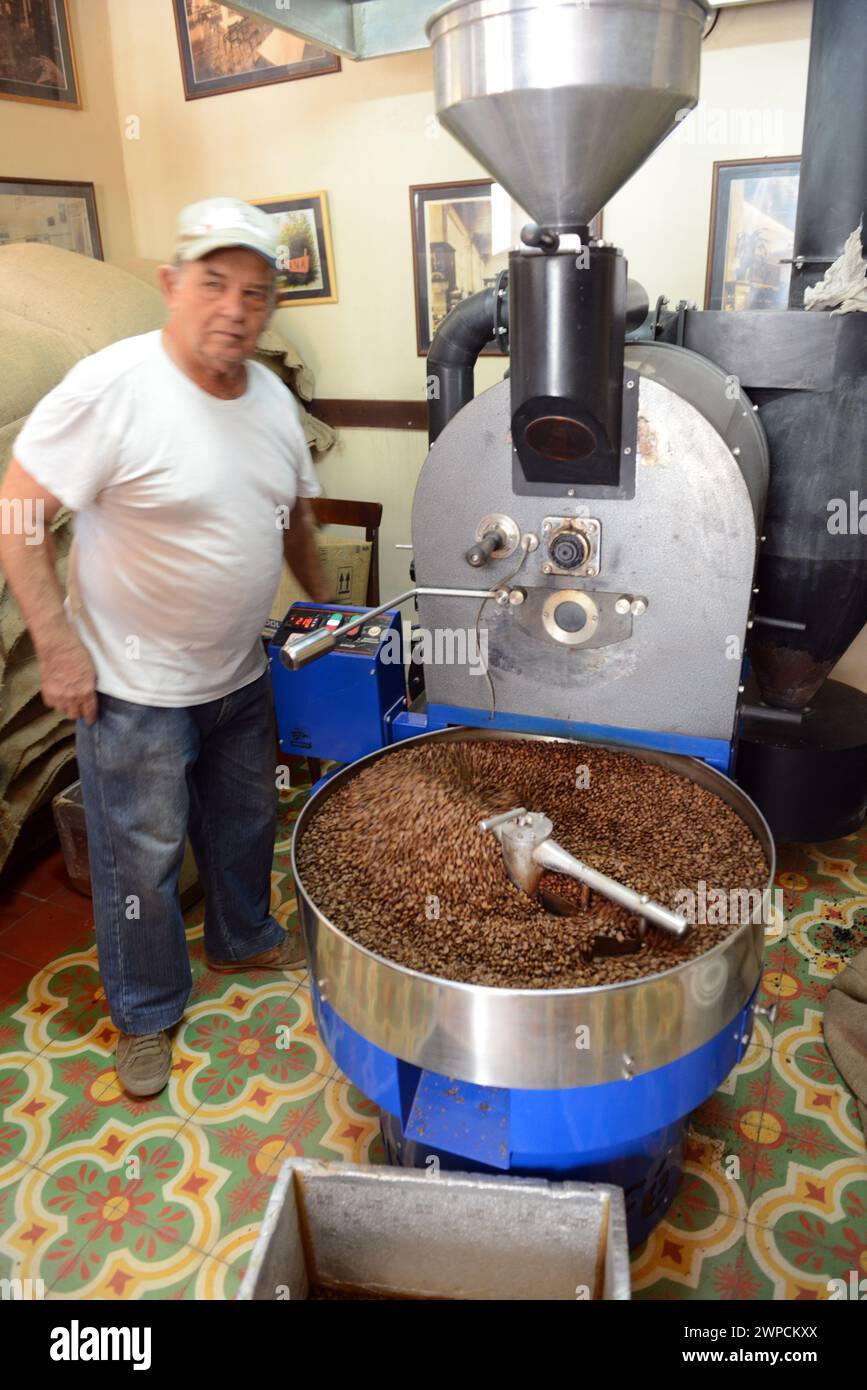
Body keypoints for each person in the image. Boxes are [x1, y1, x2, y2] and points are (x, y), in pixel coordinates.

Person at [0, 197, 332, 1097]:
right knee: (138, 860)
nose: (233, 307)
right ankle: (145, 1010)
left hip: (236, 672)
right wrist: (58, 647)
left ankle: (244, 938)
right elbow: (19, 514)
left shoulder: (267, 393)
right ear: (171, 285)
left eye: (254, 292)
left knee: (245, 823)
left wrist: (327, 600)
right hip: (132, 689)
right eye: (213, 283)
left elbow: (293, 512)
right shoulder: (113, 385)